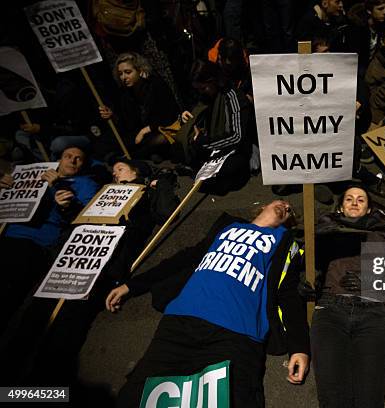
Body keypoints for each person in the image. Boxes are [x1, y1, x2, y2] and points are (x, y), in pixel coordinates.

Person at [105, 200, 310, 407]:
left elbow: (288, 294)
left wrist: (299, 348)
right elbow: (184, 259)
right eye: (282, 203)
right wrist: (132, 286)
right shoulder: (229, 227)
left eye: (289, 211)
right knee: (139, 396)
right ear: (263, 206)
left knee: (230, 399)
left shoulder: (283, 241)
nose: (285, 206)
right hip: (180, 324)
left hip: (235, 334)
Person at [0, 159, 179, 391]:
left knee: (64, 333)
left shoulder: (146, 193)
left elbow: (167, 212)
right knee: (32, 321)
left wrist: (160, 182)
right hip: (68, 261)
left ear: (137, 172)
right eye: (113, 171)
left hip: (100, 265)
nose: (115, 174)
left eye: (121, 169)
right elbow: (82, 219)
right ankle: (7, 383)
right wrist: (66, 205)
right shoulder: (103, 193)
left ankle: (41, 392)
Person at [311, 185, 385, 407]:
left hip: (373, 313)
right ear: (340, 207)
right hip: (330, 310)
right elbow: (309, 270)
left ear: (369, 209)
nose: (355, 202)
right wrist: (307, 288)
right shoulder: (323, 236)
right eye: (349, 198)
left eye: (361, 199)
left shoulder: (382, 238)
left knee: (370, 397)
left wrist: (370, 284)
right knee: (332, 397)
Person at [0, 146, 98, 329]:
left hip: (35, 243)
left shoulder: (85, 183)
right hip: (8, 234)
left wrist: (61, 193)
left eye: (79, 158)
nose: (72, 160)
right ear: (59, 160)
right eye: (68, 156)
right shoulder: (36, 173)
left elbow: (85, 217)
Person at [176, 59, 253, 194]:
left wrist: (203, 142)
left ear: (214, 81)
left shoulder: (233, 96)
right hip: (210, 142)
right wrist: (186, 116)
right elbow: (197, 113)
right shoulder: (205, 95)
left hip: (233, 148)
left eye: (204, 88)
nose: (202, 92)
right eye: (198, 89)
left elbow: (236, 136)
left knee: (230, 168)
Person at [98, 52, 180, 162]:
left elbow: (169, 115)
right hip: (138, 134)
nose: (124, 77)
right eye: (120, 74)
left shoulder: (156, 85)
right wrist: (113, 116)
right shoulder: (126, 93)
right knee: (107, 140)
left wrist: (145, 130)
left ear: (140, 71)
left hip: (161, 128)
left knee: (156, 141)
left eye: (128, 72)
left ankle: (136, 156)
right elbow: (128, 124)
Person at [346, 0, 385, 76]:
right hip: (355, 70)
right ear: (369, 11)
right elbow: (355, 59)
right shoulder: (357, 29)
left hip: (371, 67)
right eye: (380, 9)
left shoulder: (381, 26)